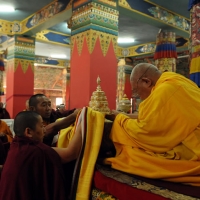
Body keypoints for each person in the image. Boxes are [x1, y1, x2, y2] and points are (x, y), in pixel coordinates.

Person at [0, 111, 82, 200]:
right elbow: (71, 154)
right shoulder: (35, 150)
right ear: (28, 132)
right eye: (41, 126)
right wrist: (83, 124)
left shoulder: (15, 146)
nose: (44, 130)